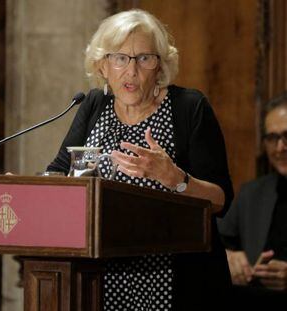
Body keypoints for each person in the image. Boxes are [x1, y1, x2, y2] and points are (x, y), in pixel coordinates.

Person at [47, 9, 234, 311]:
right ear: (103, 65)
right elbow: (59, 172)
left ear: (160, 66)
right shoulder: (94, 105)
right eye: (120, 58)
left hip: (174, 276)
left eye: (144, 58)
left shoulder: (189, 107)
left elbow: (221, 199)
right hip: (101, 275)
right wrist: (30, 189)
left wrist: (176, 179)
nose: (131, 71)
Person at [218, 94, 287, 309]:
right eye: (272, 138)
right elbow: (212, 243)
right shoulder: (252, 193)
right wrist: (229, 258)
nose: (279, 148)